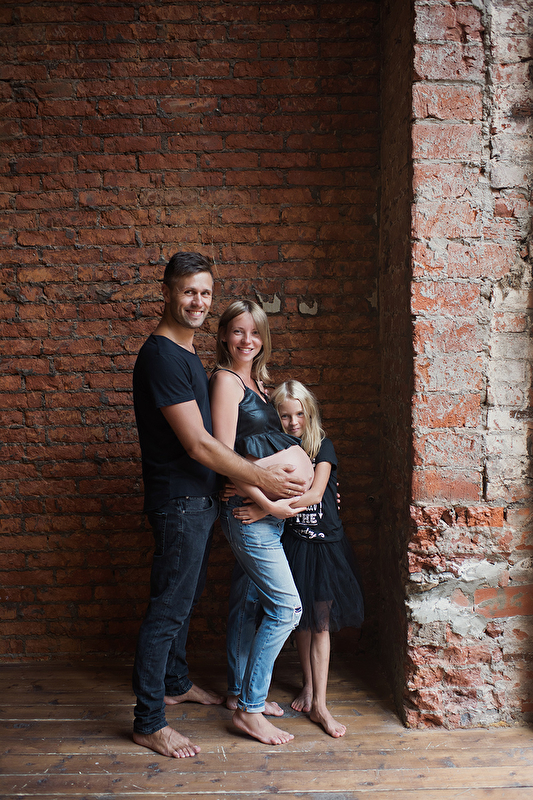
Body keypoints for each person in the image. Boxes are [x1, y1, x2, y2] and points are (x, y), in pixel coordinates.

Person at [131, 253, 306, 759]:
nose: (198, 302)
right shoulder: (162, 357)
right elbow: (199, 444)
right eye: (189, 291)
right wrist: (264, 480)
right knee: (168, 609)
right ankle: (149, 721)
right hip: (179, 500)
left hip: (199, 500)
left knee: (182, 602)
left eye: (205, 293)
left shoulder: (186, 354)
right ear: (167, 292)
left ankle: (175, 682)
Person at [209, 300, 315, 746]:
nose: (246, 340)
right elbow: (223, 455)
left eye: (254, 332)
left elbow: (260, 449)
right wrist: (267, 503)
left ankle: (239, 693)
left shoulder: (257, 383)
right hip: (249, 512)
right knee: (287, 609)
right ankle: (250, 710)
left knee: (248, 602)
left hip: (265, 515)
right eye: (238, 331)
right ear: (223, 336)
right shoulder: (226, 382)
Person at [233, 380, 364, 738]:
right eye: (285, 415)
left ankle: (321, 704)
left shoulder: (322, 446)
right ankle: (308, 686)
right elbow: (251, 475)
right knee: (301, 623)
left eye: (300, 415)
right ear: (275, 416)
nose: (293, 422)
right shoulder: (279, 447)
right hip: (294, 542)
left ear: (310, 414)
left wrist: (263, 509)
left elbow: (316, 492)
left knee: (320, 624)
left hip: (324, 546)